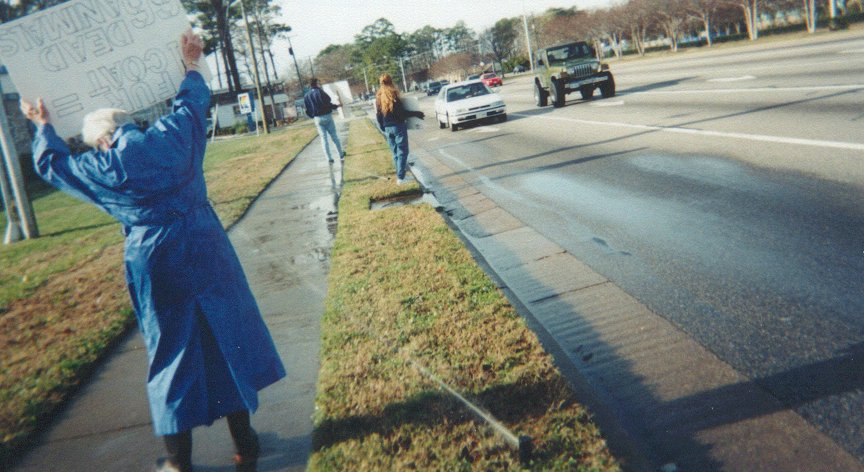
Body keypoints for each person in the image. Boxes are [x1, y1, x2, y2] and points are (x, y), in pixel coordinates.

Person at [20, 30, 285, 472]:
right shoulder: (172, 136)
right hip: (205, 244)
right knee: (226, 338)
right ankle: (245, 443)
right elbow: (193, 101)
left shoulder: (100, 166)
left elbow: (51, 165)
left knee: (170, 351)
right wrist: (189, 61)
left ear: (101, 140)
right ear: (126, 125)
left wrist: (42, 125)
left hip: (154, 258)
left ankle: (179, 462)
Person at [375, 74, 424, 185]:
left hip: (388, 128)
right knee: (402, 152)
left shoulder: (379, 96)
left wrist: (383, 127)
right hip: (398, 126)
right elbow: (401, 114)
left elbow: (378, 115)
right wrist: (416, 113)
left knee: (395, 153)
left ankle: (399, 176)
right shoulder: (393, 95)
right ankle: (401, 178)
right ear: (391, 81)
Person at [303, 77, 345, 163]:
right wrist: (337, 106)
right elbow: (328, 104)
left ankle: (329, 158)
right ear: (316, 83)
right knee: (334, 136)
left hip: (317, 118)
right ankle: (340, 154)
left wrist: (313, 116)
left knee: (323, 139)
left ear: (309, 85)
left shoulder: (306, 96)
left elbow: (307, 110)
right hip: (327, 116)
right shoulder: (321, 92)